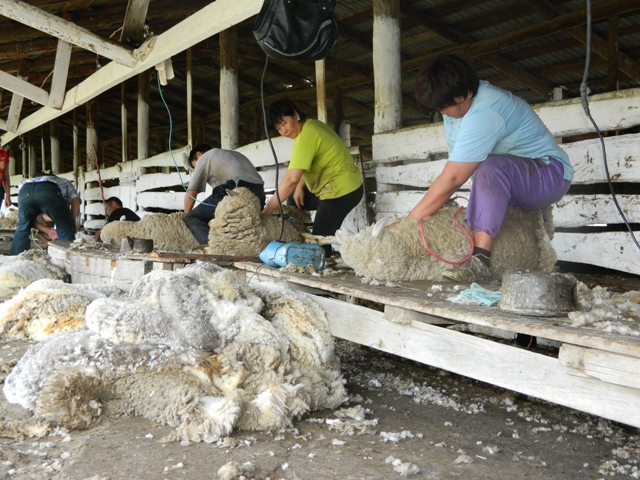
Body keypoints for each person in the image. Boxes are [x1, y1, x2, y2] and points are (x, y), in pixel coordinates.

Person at [408, 54, 573, 282]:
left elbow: (455, 177)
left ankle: (481, 260)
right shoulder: (455, 110)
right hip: (516, 177)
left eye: (444, 107)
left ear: (466, 94)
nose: (442, 113)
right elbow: (457, 162)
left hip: (549, 175)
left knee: (491, 165)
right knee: (489, 167)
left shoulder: (486, 111)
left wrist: (408, 222)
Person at [263, 99, 364, 256]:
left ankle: (324, 263)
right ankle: (297, 234)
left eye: (284, 123)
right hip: (342, 187)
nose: (283, 131)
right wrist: (299, 187)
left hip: (340, 193)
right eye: (278, 128)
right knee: (292, 199)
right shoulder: (312, 126)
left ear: (296, 115)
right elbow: (307, 166)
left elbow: (290, 179)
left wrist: (267, 211)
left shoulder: (307, 137)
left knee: (319, 242)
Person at [183, 144, 266, 245]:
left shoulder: (205, 157)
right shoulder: (233, 155)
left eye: (195, 166)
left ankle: (214, 248)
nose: (197, 168)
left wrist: (185, 215)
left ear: (199, 155)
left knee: (193, 218)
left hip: (236, 188)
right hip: (259, 193)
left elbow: (192, 192)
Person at [10, 172, 80, 255]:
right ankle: (66, 258)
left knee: (23, 226)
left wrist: (48, 231)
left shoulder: (26, 182)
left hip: (25, 191)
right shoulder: (62, 181)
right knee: (65, 227)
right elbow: (75, 198)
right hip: (48, 190)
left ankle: (15, 259)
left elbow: (29, 220)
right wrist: (72, 221)